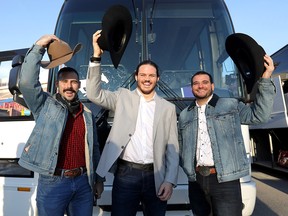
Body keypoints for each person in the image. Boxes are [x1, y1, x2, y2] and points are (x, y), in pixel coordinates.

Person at [86, 30, 179, 216]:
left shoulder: (168, 108)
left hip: (156, 175)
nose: (147, 79)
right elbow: (93, 94)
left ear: (157, 79)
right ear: (136, 77)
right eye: (143, 75)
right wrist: (96, 57)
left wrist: (170, 180)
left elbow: (172, 148)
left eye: (151, 76)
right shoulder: (122, 97)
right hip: (126, 174)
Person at [178, 54, 276, 216]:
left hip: (226, 180)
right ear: (191, 88)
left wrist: (265, 79)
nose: (200, 86)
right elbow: (182, 146)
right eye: (196, 83)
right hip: (196, 181)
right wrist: (188, 167)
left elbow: (260, 116)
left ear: (212, 86)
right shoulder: (184, 115)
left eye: (204, 82)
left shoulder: (230, 104)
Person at [18, 34, 104, 216]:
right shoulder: (44, 106)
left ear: (78, 85)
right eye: (64, 81)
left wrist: (97, 179)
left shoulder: (86, 113)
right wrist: (38, 47)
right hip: (53, 183)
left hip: (83, 183)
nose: (69, 86)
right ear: (57, 85)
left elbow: (93, 148)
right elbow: (26, 82)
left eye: (73, 82)